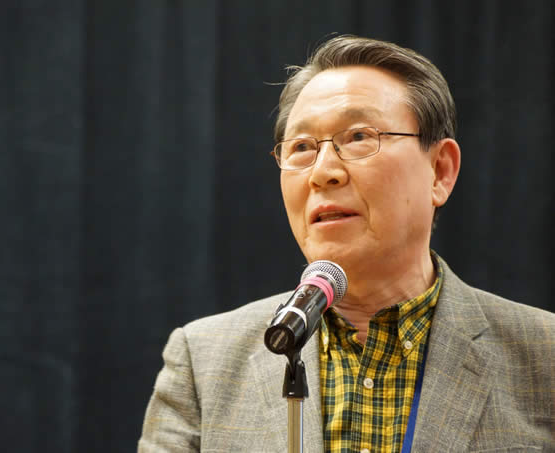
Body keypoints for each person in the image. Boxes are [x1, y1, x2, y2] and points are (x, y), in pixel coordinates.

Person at [138, 35, 555, 452]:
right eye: (302, 147)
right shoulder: (203, 362)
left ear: (440, 171)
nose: (323, 172)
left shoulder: (544, 356)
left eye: (358, 137)